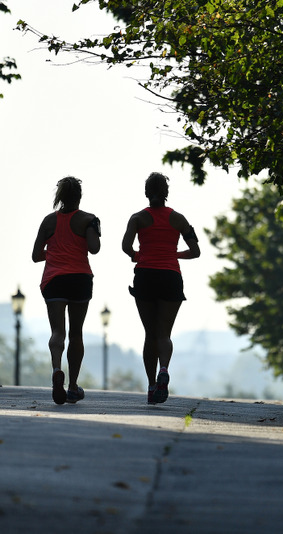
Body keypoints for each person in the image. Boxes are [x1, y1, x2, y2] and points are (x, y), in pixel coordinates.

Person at [122, 172, 200, 404]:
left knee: (150, 334)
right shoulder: (179, 219)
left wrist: (139, 255)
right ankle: (163, 369)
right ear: (166, 193)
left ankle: (151, 386)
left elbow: (126, 246)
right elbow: (195, 251)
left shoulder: (137, 218)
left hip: (145, 276)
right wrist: (172, 254)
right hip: (170, 276)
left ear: (146, 192)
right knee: (164, 334)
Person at [32, 176, 101, 404]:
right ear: (79, 196)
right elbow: (94, 249)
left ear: (59, 196)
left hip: (54, 280)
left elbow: (35, 256)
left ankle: (55, 370)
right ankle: (72, 386)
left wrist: (53, 252)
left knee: (57, 332)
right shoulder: (89, 219)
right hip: (80, 278)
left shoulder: (48, 221)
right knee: (76, 333)